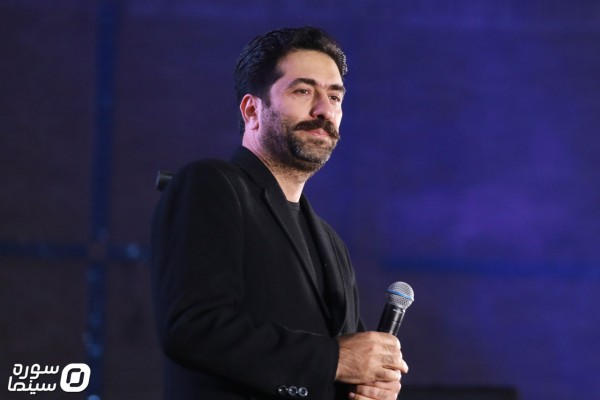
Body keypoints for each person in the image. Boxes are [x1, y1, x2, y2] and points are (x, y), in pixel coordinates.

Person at [151, 26, 408, 400]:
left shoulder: (331, 243)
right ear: (252, 110)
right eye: (303, 91)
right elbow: (193, 327)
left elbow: (346, 365)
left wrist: (369, 383)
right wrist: (335, 359)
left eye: (334, 96)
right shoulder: (211, 184)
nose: (324, 110)